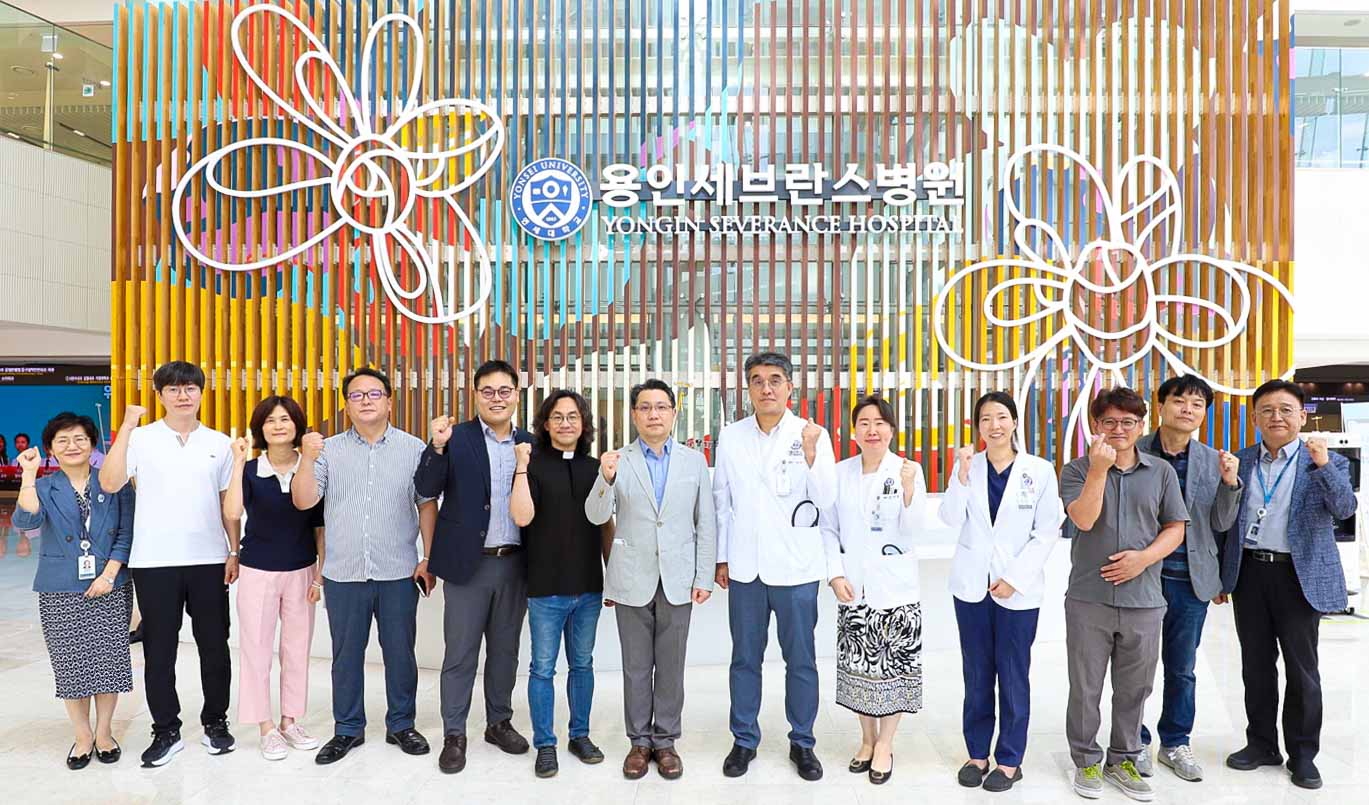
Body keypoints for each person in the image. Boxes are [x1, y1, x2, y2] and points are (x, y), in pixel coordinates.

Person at [291, 367, 436, 765]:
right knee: (346, 656)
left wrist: (427, 558)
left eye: (374, 393)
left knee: (400, 653)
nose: (366, 401)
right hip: (343, 572)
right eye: (357, 395)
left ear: (389, 401)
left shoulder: (414, 449)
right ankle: (348, 728)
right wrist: (307, 459)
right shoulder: (328, 450)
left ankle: (401, 724)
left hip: (398, 572)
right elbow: (303, 501)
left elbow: (426, 504)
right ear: (347, 405)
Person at [99, 361, 240, 767]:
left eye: (190, 388)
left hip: (209, 560)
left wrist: (233, 550)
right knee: (159, 650)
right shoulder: (141, 439)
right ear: (160, 395)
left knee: (215, 647)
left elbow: (226, 503)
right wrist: (126, 427)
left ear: (201, 393)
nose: (183, 395)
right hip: (154, 561)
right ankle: (166, 730)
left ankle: (215, 722)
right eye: (174, 388)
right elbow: (110, 482)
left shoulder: (219, 443)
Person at [1220, 380, 1356, 790]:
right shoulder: (1242, 459)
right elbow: (1225, 521)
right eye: (1267, 410)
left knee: (1302, 670)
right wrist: (1222, 575)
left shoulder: (1326, 461)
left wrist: (1323, 465)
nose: (1276, 417)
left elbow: (1345, 508)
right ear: (1255, 417)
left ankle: (1302, 754)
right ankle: (1261, 744)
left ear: (1302, 416)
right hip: (1250, 573)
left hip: (1299, 575)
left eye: (1285, 409)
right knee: (1255, 665)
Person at [1059, 386, 1188, 802]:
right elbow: (1083, 519)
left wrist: (1143, 559)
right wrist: (1099, 470)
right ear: (1095, 425)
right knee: (1086, 687)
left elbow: (1176, 527)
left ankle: (1124, 758)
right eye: (1109, 422)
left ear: (1141, 425)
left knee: (1135, 688)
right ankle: (1086, 760)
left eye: (1128, 422)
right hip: (1089, 598)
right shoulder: (1076, 470)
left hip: (1144, 599)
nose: (1118, 429)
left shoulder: (1161, 472)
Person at [713, 351, 837, 781]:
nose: (766, 388)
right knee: (744, 659)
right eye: (757, 380)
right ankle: (744, 739)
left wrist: (811, 454)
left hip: (796, 568)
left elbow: (827, 499)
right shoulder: (731, 436)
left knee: (800, 660)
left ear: (790, 387)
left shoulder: (811, 433)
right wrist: (722, 557)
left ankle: (802, 741)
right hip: (746, 567)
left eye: (775, 380)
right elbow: (721, 501)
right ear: (748, 388)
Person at [586, 379, 716, 780]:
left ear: (674, 413)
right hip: (631, 577)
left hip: (679, 577)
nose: (653, 414)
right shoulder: (617, 460)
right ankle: (639, 742)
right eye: (645, 407)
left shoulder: (694, 461)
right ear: (634, 414)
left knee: (672, 666)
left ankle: (666, 741)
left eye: (661, 407)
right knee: (636, 667)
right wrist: (605, 478)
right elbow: (595, 515)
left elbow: (706, 522)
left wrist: (704, 575)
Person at [939, 391, 1063, 792]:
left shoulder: (1039, 470)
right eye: (986, 419)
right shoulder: (968, 467)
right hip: (971, 587)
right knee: (976, 673)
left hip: (1018, 591)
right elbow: (949, 517)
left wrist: (1015, 578)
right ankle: (977, 753)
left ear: (1014, 423)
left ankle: (1010, 759)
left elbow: (1047, 531)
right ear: (978, 427)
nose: (994, 425)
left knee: (1012, 674)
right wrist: (959, 477)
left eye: (1001, 417)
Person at [416, 359, 535, 774]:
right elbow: (425, 489)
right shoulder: (456, 438)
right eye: (488, 391)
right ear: (475, 395)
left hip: (515, 564)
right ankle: (454, 733)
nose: (496, 398)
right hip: (468, 566)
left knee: (505, 652)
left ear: (516, 395)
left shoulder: (530, 443)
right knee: (461, 653)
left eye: (504, 391)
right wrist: (436, 447)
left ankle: (499, 723)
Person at [1132, 376, 1242, 781]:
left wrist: (1230, 484)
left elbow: (1222, 523)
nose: (1188, 410)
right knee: (1135, 666)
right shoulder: (1134, 450)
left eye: (1197, 405)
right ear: (1161, 405)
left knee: (1182, 668)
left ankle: (1175, 742)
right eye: (1180, 401)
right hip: (1140, 578)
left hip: (1189, 582)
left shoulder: (1214, 461)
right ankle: (1133, 741)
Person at [13, 414, 134, 769]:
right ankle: (82, 736)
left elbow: (127, 533)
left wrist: (109, 575)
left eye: (80, 438)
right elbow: (26, 521)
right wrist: (29, 474)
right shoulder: (44, 486)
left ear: (92, 444)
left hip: (110, 585)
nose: (72, 446)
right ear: (50, 449)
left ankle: (104, 733)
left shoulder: (113, 482)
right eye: (62, 440)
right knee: (71, 666)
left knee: (108, 663)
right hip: (60, 588)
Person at [819, 394, 925, 785]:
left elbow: (915, 528)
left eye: (880, 422)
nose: (872, 430)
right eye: (864, 423)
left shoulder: (907, 470)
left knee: (894, 670)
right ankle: (866, 740)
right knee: (859, 669)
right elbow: (827, 528)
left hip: (896, 589)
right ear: (853, 432)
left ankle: (885, 744)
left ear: (892, 430)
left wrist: (909, 490)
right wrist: (835, 575)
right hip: (854, 587)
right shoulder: (839, 472)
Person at [510, 389, 609, 777]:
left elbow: (605, 523)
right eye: (557, 417)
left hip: (588, 586)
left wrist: (613, 575)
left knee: (582, 665)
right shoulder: (532, 466)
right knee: (542, 668)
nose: (566, 423)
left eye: (573, 416)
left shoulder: (595, 468)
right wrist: (521, 466)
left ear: (584, 424)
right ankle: (545, 743)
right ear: (545, 424)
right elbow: (521, 517)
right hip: (546, 587)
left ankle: (579, 735)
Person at [222, 396, 325, 761]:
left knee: (296, 650)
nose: (278, 426)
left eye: (285, 419)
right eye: (270, 420)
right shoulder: (251, 470)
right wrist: (238, 463)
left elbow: (320, 527)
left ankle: (290, 721)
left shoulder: (312, 467)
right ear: (260, 428)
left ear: (297, 425)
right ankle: (265, 726)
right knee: (256, 650)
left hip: (302, 571)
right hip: (257, 572)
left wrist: (320, 576)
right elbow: (232, 511)